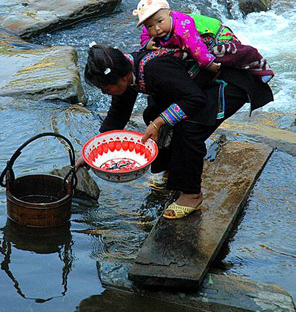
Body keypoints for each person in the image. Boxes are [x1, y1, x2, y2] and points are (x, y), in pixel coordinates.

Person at [84, 43, 273, 219]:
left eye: (105, 88)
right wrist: (90, 155)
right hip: (193, 85)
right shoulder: (127, 70)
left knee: (188, 129)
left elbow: (195, 100)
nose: (104, 92)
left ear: (123, 77)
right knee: (155, 113)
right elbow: (118, 115)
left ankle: (192, 194)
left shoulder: (154, 70)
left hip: (226, 82)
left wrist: (159, 122)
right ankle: (174, 171)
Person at [133, 0, 274, 83]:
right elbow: (145, 33)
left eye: (159, 22)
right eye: (151, 25)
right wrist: (147, 43)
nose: (156, 29)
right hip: (194, 43)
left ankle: (259, 64)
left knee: (224, 53)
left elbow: (196, 47)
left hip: (217, 35)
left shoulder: (183, 26)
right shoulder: (153, 27)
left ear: (169, 14)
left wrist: (208, 63)